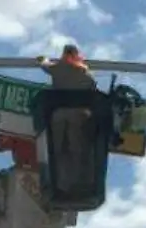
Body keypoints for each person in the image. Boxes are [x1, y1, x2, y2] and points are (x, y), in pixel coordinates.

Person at [37, 44, 98, 197]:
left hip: (58, 114)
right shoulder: (85, 73)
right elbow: (92, 89)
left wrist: (43, 59)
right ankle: (75, 182)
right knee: (75, 149)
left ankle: (58, 183)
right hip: (78, 114)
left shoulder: (57, 68)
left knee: (57, 150)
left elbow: (44, 64)